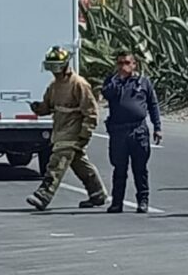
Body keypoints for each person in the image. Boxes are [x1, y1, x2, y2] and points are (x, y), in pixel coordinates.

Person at [26, 46, 107, 211]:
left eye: (56, 66)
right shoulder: (54, 86)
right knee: (79, 164)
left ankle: (43, 195)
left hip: (73, 132)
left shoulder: (79, 84)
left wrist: (85, 134)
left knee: (57, 164)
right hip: (60, 130)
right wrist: (38, 108)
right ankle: (97, 194)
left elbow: (91, 112)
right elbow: (48, 106)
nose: (53, 71)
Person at [101, 50, 162, 213]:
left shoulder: (143, 82)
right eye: (120, 63)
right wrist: (117, 80)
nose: (123, 66)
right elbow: (106, 94)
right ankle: (117, 202)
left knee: (140, 168)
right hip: (119, 131)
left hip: (138, 130)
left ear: (134, 64)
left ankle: (143, 201)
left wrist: (157, 127)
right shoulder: (112, 81)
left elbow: (153, 105)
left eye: (127, 63)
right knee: (119, 169)